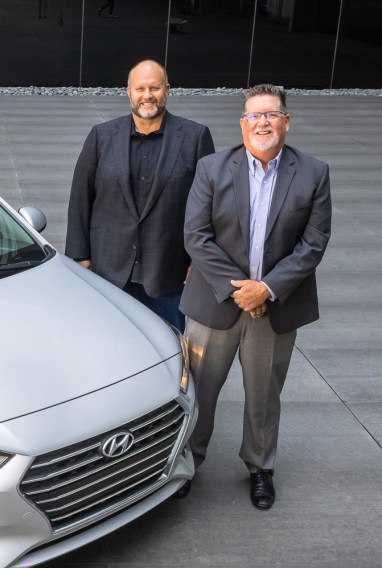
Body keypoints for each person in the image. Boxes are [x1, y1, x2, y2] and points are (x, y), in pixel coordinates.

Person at [180, 84, 332, 509]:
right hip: (214, 303)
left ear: (286, 121)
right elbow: (196, 235)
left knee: (264, 395)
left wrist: (266, 289)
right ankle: (187, 463)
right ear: (242, 123)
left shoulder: (314, 173)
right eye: (254, 115)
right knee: (200, 391)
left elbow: (313, 244)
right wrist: (242, 291)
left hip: (275, 307)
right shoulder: (212, 167)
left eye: (271, 114)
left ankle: (260, 468)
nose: (262, 122)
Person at [66, 59, 214, 335]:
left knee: (171, 348)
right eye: (140, 88)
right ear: (129, 92)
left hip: (169, 273)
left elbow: (208, 207)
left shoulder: (195, 137)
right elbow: (80, 200)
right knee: (108, 342)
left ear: (167, 90)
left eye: (155, 88)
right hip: (108, 270)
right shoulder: (101, 136)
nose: (147, 95)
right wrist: (80, 257)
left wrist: (199, 261)